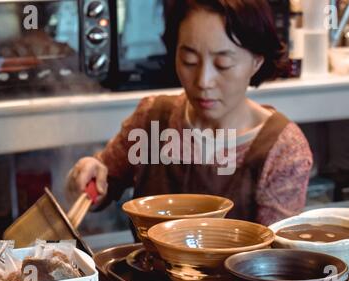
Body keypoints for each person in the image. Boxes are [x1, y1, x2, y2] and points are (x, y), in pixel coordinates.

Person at [66, 0, 313, 227]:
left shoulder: (283, 148)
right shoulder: (153, 118)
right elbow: (99, 188)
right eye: (189, 61)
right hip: (149, 273)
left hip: (240, 277)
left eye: (223, 64)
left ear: (257, 61)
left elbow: (275, 261)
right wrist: (87, 174)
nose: (203, 81)